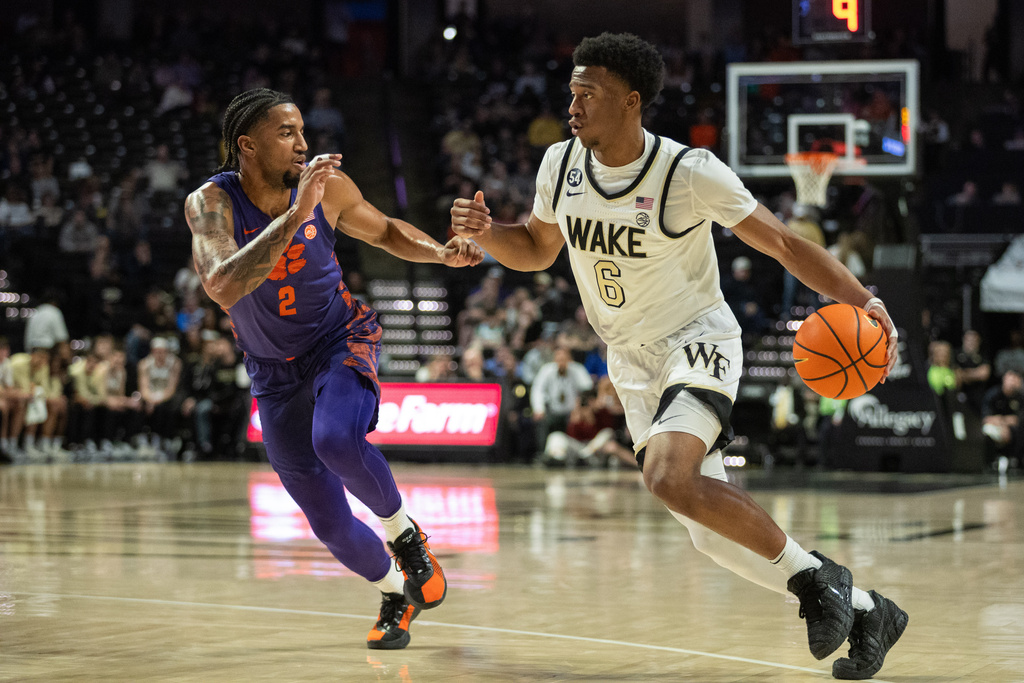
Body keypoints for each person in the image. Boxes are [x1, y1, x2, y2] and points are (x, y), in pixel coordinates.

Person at [450, 33, 906, 679]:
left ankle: (817, 583)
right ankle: (864, 608)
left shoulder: (688, 173)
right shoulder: (560, 164)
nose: (572, 106)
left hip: (698, 338)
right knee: (702, 527)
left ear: (631, 102)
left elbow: (781, 242)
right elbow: (536, 247)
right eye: (571, 92)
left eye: (588, 94)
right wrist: (485, 235)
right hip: (630, 359)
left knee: (667, 475)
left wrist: (866, 300)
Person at [184, 88, 482, 650]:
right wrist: (297, 216)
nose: (302, 144)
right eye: (285, 134)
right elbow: (221, 283)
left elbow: (388, 230)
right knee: (328, 524)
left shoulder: (329, 188)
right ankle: (396, 593)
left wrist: (440, 252)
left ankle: (406, 536)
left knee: (336, 440)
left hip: (338, 339)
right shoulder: (211, 203)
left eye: (302, 131)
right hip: (272, 372)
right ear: (247, 146)